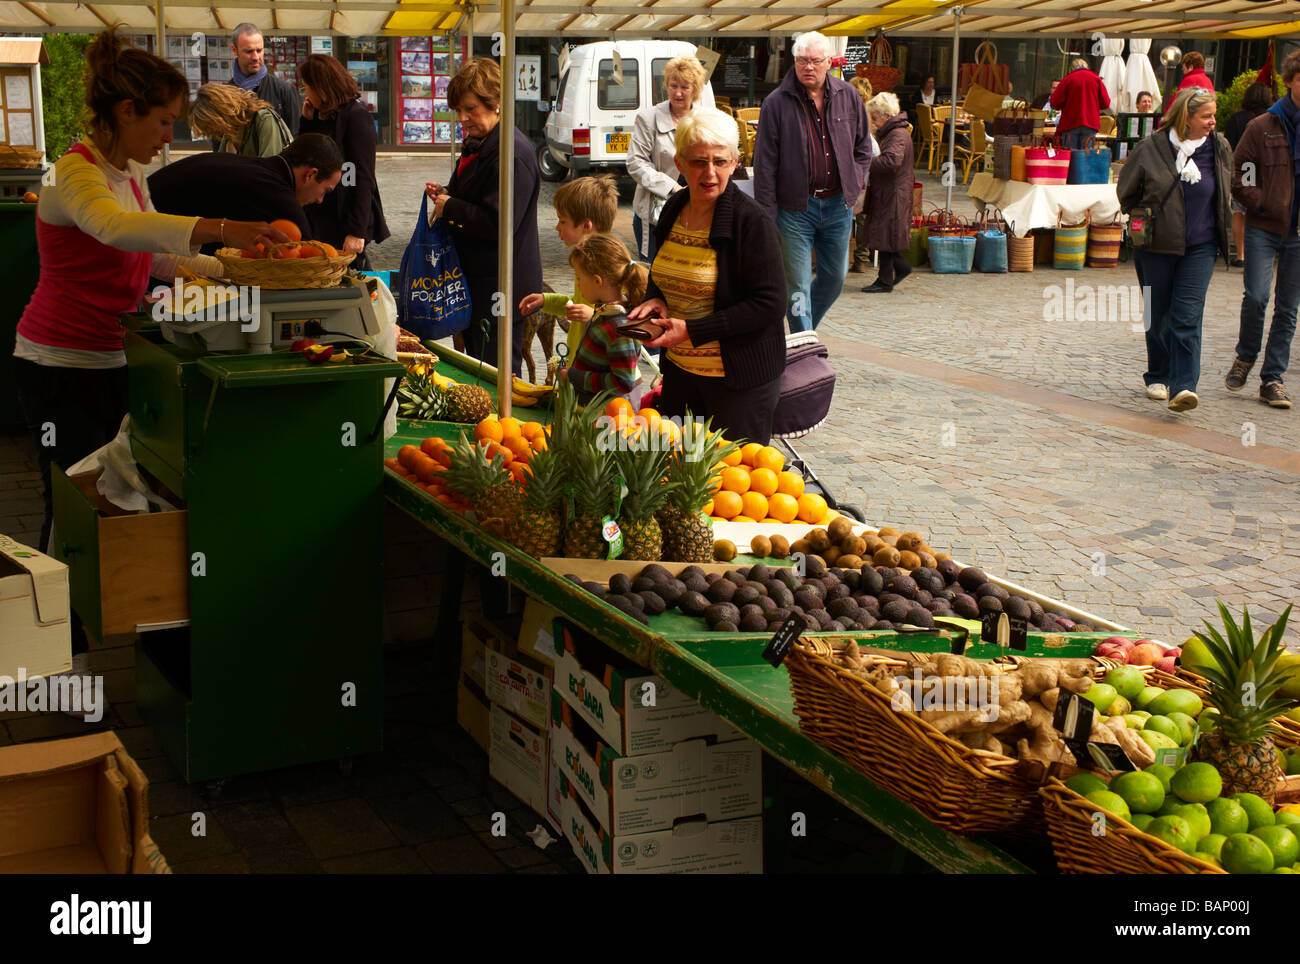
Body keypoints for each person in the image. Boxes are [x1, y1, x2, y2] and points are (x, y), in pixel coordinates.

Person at [12, 28, 287, 675]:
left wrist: (238, 268)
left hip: (120, 359)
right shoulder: (71, 173)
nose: (170, 136)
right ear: (126, 112)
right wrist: (221, 227)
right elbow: (113, 228)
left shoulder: (129, 174)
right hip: (55, 367)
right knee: (72, 507)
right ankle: (61, 659)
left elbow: (155, 258)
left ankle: (146, 638)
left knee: (137, 501)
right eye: (162, 121)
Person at [626, 109, 786, 444]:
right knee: (678, 475)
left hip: (737, 383)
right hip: (681, 375)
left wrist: (692, 331)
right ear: (679, 162)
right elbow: (663, 269)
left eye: (720, 161)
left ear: (735, 162)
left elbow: (769, 304)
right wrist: (655, 297)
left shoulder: (751, 222)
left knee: (733, 484)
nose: (709, 172)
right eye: (699, 161)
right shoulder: (674, 208)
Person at [1117, 87, 1231, 413]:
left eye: (1213, 115)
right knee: (1157, 313)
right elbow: (1126, 193)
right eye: (1206, 116)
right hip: (1155, 245)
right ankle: (1158, 373)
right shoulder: (1151, 148)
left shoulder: (1219, 147)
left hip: (1201, 247)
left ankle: (1183, 386)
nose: (1212, 121)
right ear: (1186, 116)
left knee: (1186, 316)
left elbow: (1225, 188)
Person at [426, 57, 542, 376]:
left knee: (498, 375)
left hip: (502, 285)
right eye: (459, 110)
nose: (463, 118)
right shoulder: (483, 142)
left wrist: (449, 207)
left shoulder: (511, 153)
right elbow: (474, 194)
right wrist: (446, 193)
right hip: (480, 281)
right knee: (478, 370)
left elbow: (499, 223)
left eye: (471, 109)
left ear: (495, 103)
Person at [753, 30, 872, 333]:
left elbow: (863, 148)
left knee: (835, 278)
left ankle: (803, 335)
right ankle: (803, 342)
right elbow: (764, 163)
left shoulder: (848, 97)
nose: (808, 67)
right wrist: (768, 212)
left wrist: (855, 182)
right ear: (794, 62)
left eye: (815, 61)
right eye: (802, 61)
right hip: (795, 209)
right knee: (798, 285)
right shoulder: (776, 103)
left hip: (837, 207)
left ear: (829, 62)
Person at [1225, 56, 1300, 410]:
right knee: (1256, 295)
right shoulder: (1263, 125)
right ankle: (1246, 355)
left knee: (1288, 307)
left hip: (1299, 231)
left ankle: (1273, 379)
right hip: (1265, 225)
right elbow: (1242, 170)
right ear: (1291, 81)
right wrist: (1258, 202)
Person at [148, 133, 344, 252]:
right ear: (310, 175)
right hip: (142, 247)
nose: (320, 200)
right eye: (324, 190)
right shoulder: (276, 191)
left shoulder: (259, 171)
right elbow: (310, 259)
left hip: (151, 240)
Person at [298, 53, 389, 270]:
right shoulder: (323, 115)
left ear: (322, 87)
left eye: (307, 87)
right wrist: (307, 122)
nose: (306, 94)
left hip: (344, 215)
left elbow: (363, 177)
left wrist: (357, 231)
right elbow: (304, 156)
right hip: (322, 214)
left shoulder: (356, 117)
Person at [519, 175, 619, 361]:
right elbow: (577, 302)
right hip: (580, 364)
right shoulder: (584, 258)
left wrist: (594, 316)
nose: (557, 227)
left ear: (586, 226)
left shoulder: (609, 264)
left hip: (600, 372)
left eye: (562, 221)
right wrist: (545, 301)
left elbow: (627, 321)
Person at [627, 55, 707, 262]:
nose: (678, 92)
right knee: (655, 272)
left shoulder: (706, 119)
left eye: (685, 87)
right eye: (673, 86)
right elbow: (636, 162)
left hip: (695, 210)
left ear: (696, 89)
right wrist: (671, 188)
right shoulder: (648, 118)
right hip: (656, 212)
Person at [557, 234, 646, 402]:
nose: (577, 284)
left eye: (579, 278)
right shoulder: (607, 312)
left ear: (597, 280)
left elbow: (623, 382)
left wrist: (574, 376)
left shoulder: (618, 328)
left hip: (607, 418)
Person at [860, 93, 916, 295]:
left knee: (886, 235)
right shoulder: (894, 132)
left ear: (885, 115)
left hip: (893, 193)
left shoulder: (897, 134)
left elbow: (891, 161)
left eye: (875, 117)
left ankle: (886, 279)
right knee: (886, 235)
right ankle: (895, 272)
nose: (873, 122)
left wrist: (864, 162)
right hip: (890, 191)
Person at [1224, 82, 1275, 268]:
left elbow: (1228, 146)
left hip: (1244, 168)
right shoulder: (1271, 118)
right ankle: (1258, 253)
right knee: (1259, 210)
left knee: (1239, 211)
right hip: (1265, 170)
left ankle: (1241, 254)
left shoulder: (1237, 118)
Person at [228, 23, 301, 136]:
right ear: (234, 50)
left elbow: (295, 138)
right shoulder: (225, 95)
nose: (256, 57)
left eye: (259, 50)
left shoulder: (284, 91)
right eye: (249, 51)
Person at [189, 82, 293, 158]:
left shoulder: (263, 119)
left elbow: (270, 170)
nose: (213, 131)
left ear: (222, 112)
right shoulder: (229, 134)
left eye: (211, 124)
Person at [847, 76, 875, 275]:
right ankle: (861, 259)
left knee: (847, 215)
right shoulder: (872, 114)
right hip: (867, 172)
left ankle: (844, 258)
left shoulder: (852, 114)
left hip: (855, 170)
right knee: (862, 216)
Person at [1051, 58, 1110, 149]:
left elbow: (1054, 103)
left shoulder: (1068, 79)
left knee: (1070, 156)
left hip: (1070, 123)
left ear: (1071, 68)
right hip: (1090, 124)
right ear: (1087, 67)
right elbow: (1106, 103)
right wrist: (1094, 105)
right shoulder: (1096, 79)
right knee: (1085, 156)